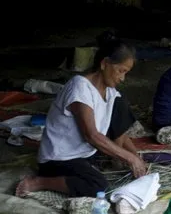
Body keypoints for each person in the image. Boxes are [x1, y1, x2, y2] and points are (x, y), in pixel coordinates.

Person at [16, 32, 144, 198]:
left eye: (126, 73)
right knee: (98, 186)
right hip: (58, 159)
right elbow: (91, 135)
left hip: (85, 154)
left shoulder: (111, 93)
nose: (123, 78)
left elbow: (120, 130)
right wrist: (129, 158)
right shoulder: (80, 88)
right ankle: (39, 181)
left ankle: (106, 162)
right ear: (105, 63)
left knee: (120, 105)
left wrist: (136, 157)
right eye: (121, 71)